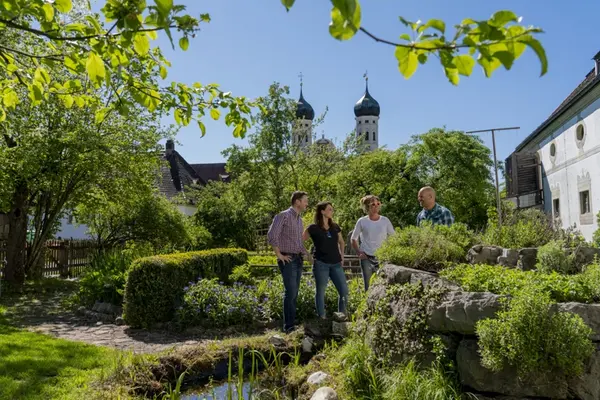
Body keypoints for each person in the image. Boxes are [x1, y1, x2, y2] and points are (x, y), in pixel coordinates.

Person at [267, 191, 309, 333]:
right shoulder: (283, 215)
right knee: (290, 292)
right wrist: (279, 254)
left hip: (298, 259)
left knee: (294, 293)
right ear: (297, 201)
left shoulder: (299, 220)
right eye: (305, 201)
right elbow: (272, 235)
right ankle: (288, 327)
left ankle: (291, 325)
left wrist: (307, 255)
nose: (306, 203)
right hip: (288, 259)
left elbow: (298, 243)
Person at [303, 202, 349, 319]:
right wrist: (308, 256)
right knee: (321, 291)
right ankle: (322, 317)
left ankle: (342, 316)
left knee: (344, 291)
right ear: (322, 211)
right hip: (320, 264)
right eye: (329, 209)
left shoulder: (335, 227)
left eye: (332, 209)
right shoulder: (312, 228)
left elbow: (342, 242)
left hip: (336, 264)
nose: (332, 211)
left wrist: (342, 257)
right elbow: (299, 241)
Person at [351, 195, 395, 291]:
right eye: (373, 204)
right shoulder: (362, 221)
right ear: (367, 207)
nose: (376, 206)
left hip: (382, 257)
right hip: (366, 256)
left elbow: (393, 237)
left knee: (383, 285)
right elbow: (353, 238)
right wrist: (359, 253)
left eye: (378, 204)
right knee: (368, 285)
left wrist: (389, 252)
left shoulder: (385, 220)